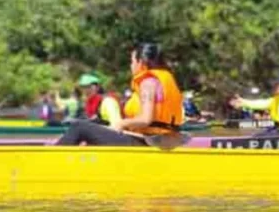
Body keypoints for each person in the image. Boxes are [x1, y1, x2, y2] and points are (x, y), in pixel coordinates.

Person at [56, 43, 184, 146]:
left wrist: (121, 124)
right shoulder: (165, 79)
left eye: (132, 61)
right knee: (97, 129)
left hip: (146, 142)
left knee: (79, 127)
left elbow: (146, 119)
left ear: (141, 62)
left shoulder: (148, 83)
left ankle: (49, 163)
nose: (131, 65)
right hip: (161, 139)